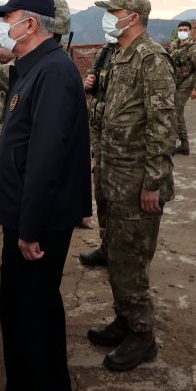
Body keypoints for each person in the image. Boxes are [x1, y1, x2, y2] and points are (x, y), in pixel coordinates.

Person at [0, 0, 91, 391]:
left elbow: (46, 156)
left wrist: (30, 227)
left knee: (21, 316)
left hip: (34, 218)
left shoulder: (53, 73)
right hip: (34, 213)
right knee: (42, 307)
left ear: (32, 24)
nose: (4, 25)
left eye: (10, 17)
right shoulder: (37, 67)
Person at [83, 0, 177, 372]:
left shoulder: (151, 59)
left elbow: (162, 124)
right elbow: (114, 112)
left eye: (113, 11)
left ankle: (142, 336)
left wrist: (153, 182)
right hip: (111, 173)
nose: (108, 16)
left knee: (131, 259)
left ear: (132, 17)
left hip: (138, 180)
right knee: (115, 253)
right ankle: (125, 318)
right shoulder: (119, 56)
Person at [79, 32, 118, 268]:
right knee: (101, 192)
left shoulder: (147, 57)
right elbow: (93, 78)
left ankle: (122, 254)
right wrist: (88, 83)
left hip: (124, 143)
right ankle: (106, 246)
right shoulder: (105, 52)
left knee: (120, 200)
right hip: (100, 134)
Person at [169, 20, 196, 155]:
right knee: (175, 112)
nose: (182, 32)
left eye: (185, 30)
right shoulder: (175, 46)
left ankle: (175, 144)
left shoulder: (193, 48)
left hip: (187, 83)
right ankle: (184, 145)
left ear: (190, 31)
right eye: (180, 29)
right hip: (176, 82)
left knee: (175, 111)